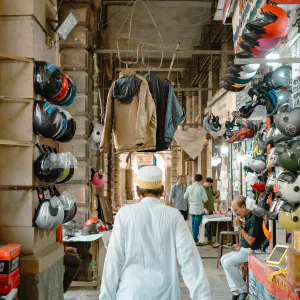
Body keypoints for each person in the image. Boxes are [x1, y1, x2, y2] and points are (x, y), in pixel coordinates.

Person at [99, 166, 211, 300]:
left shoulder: (125, 214)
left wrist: (105, 296)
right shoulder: (173, 215)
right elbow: (189, 259)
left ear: (137, 190)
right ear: (162, 190)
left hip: (130, 292)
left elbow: (114, 259)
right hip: (166, 293)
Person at [221, 196, 266, 300]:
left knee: (228, 263)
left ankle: (243, 290)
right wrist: (240, 245)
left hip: (253, 251)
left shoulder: (255, 218)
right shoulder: (247, 217)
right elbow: (247, 239)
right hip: (245, 249)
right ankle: (235, 290)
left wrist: (240, 227)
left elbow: (251, 241)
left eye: (236, 210)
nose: (236, 213)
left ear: (243, 207)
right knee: (223, 259)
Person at [56, 224, 82, 293]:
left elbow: (58, 243)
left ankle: (61, 288)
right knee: (76, 261)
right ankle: (61, 290)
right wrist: (66, 249)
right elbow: (56, 244)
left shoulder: (59, 223)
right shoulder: (57, 223)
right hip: (55, 252)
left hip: (58, 250)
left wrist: (67, 248)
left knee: (74, 258)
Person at [184, 174, 208, 246]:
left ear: (194, 179)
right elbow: (205, 200)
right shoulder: (201, 188)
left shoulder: (189, 187)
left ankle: (193, 238)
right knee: (196, 225)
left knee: (193, 224)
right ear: (201, 180)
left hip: (192, 209)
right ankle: (195, 240)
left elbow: (185, 196)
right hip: (199, 209)